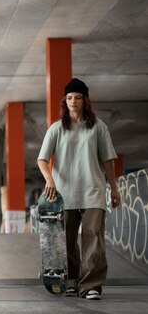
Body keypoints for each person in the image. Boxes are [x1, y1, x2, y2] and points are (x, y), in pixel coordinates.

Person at [37, 77, 120, 300]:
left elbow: (108, 160)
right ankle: (71, 281)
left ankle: (91, 285)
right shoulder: (56, 129)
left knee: (94, 239)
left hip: (93, 190)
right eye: (70, 97)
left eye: (78, 97)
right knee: (67, 242)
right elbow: (42, 159)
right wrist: (49, 180)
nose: (74, 101)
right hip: (63, 194)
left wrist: (114, 188)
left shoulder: (98, 127)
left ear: (85, 100)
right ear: (65, 101)